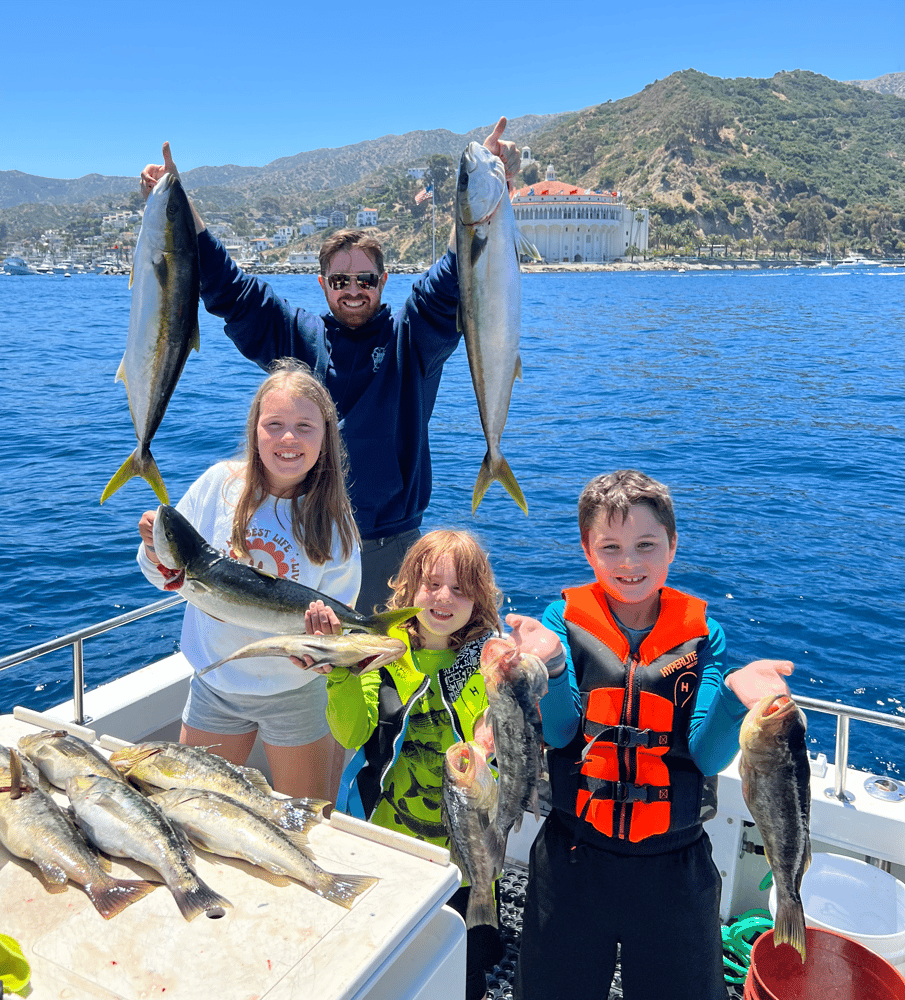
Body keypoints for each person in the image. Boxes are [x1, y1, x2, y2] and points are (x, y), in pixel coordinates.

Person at [139, 118, 522, 614]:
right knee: (321, 672)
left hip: (394, 548)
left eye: (364, 278)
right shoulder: (297, 338)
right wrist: (179, 207)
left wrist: (489, 188)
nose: (354, 289)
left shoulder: (415, 335)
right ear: (322, 286)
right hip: (310, 540)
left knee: (390, 676)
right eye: (340, 281)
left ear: (383, 281)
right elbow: (231, 291)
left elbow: (458, 275)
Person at [507, 469, 795, 1000]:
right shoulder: (560, 620)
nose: (629, 563)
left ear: (672, 546)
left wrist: (734, 695)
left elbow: (708, 757)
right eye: (610, 547)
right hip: (574, 857)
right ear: (587, 551)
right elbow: (563, 728)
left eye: (646, 545)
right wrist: (547, 665)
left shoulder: (703, 634)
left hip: (675, 866)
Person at [302, 530, 541, 1000]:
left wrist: (527, 676)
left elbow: (499, 735)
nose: (444, 598)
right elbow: (350, 734)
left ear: (481, 599)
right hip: (385, 840)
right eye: (432, 584)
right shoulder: (378, 650)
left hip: (465, 850)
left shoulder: (487, 660)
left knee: (460, 968)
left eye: (461, 588)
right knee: (380, 961)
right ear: (408, 587)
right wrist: (339, 676)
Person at [137, 359, 360, 803]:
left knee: (309, 819)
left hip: (296, 692)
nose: (288, 438)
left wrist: (323, 653)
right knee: (192, 807)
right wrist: (150, 550)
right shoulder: (218, 486)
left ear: (326, 438)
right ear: (254, 429)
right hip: (216, 684)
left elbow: (336, 632)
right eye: (274, 424)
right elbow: (160, 574)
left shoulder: (335, 526)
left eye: (304, 426)